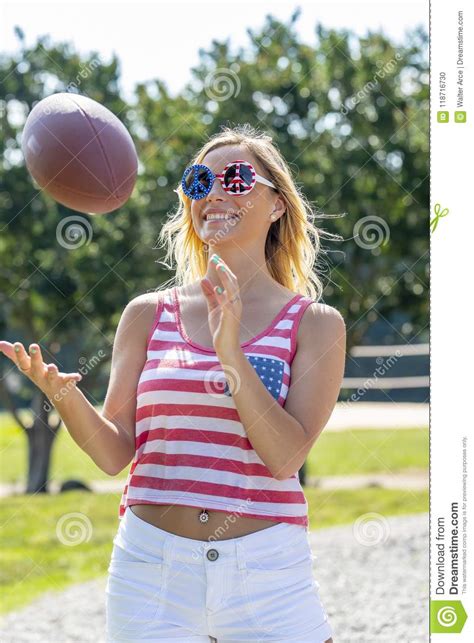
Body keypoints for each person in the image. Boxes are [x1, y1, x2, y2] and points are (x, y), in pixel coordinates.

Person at [0, 123, 346, 642]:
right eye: (199, 182)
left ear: (277, 204)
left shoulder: (315, 323)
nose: (214, 194)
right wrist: (64, 395)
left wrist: (230, 351)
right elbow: (115, 454)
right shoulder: (146, 314)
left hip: (266, 573)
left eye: (235, 177)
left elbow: (285, 457)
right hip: (150, 570)